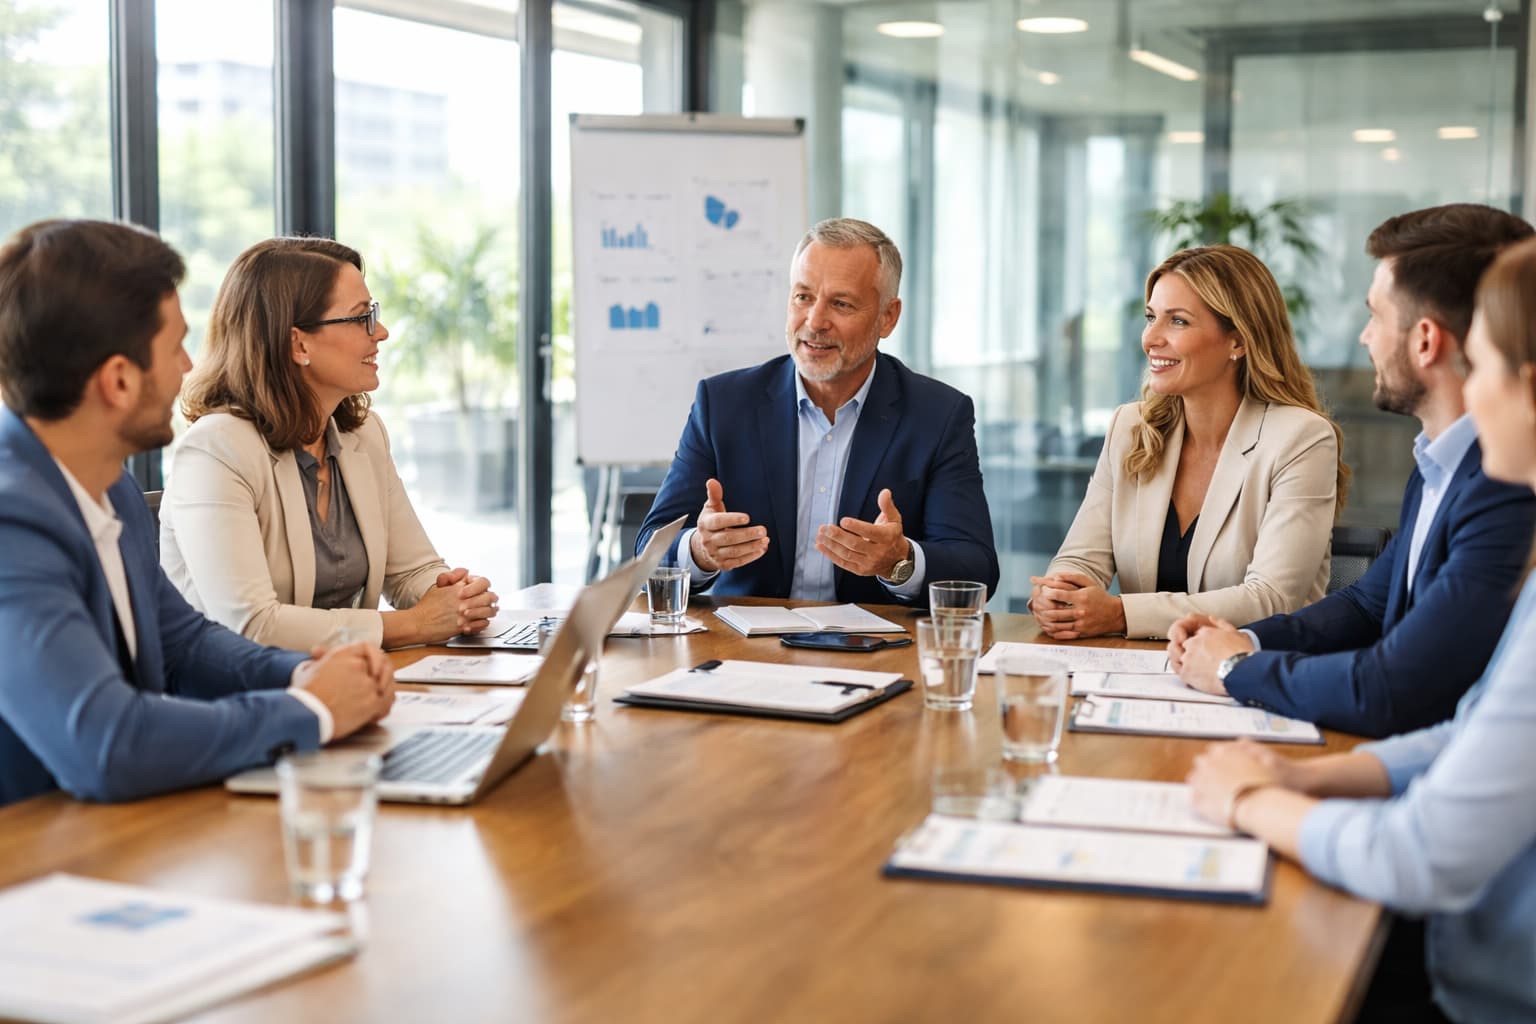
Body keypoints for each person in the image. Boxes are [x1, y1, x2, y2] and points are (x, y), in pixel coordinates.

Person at [1186, 234, 1536, 1024]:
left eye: (1483, 370)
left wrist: (1248, 800)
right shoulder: (1448, 469)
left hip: (1482, 981)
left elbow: (1420, 851)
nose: (1473, 405)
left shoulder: (1500, 495)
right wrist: (1302, 775)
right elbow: (1467, 727)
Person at [0, 220, 394, 806]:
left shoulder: (115, 492)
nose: (189, 367)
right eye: (174, 347)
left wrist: (302, 674)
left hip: (110, 836)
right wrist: (310, 710)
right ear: (118, 380)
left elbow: (184, 646)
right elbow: (108, 744)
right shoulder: (12, 523)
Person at [1170, 205, 1536, 738]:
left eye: (1375, 317)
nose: (1365, 338)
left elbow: (1395, 688)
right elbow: (1369, 602)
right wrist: (1244, 640)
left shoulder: (1503, 488)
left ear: (1426, 340)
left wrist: (1235, 668)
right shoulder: (1439, 462)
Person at [634, 218, 999, 605]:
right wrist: (700, 552)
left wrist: (901, 561)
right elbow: (646, 558)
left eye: (840, 303)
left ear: (887, 317)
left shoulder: (937, 415)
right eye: (803, 297)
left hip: (874, 653)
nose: (815, 321)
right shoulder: (723, 403)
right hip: (743, 650)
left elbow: (976, 568)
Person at [160, 237, 499, 652]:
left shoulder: (364, 435)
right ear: (299, 344)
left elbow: (413, 572)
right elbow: (250, 626)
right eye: (362, 318)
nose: (383, 332)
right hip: (241, 701)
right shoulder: (215, 450)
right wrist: (415, 624)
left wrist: (454, 596)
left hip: (344, 684)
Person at [1031, 245, 1346, 640]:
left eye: (1177, 321)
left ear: (1238, 341)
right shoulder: (1131, 427)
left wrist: (1119, 614)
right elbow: (1082, 557)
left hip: (1251, 672)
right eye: (1151, 317)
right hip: (1140, 674)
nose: (1150, 338)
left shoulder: (1300, 439)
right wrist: (1061, 593)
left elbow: (1271, 598)